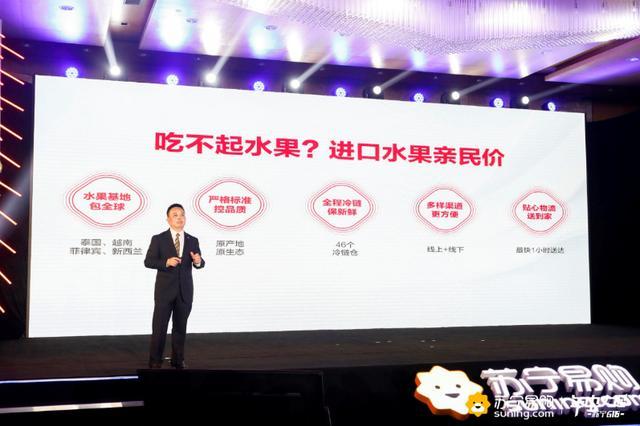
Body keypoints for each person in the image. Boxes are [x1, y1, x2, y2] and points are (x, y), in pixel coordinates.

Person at [144, 203, 205, 369]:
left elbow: (200, 262)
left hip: (185, 292)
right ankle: (155, 361)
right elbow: (148, 261)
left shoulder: (192, 240)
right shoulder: (158, 239)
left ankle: (178, 360)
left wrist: (198, 261)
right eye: (175, 215)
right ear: (168, 219)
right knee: (159, 328)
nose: (180, 218)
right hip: (164, 292)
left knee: (180, 328)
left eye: (182, 214)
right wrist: (166, 262)